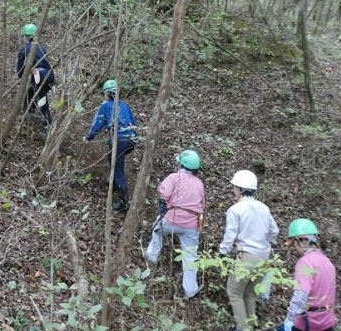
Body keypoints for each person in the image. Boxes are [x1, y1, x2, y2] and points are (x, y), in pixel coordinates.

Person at [219, 170, 279, 331]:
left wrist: (222, 252)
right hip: (264, 258)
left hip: (246, 257)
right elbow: (274, 232)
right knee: (250, 293)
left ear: (239, 189)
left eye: (234, 187)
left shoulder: (235, 209)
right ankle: (251, 326)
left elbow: (230, 235)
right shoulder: (264, 208)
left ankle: (243, 328)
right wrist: (263, 242)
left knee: (234, 292)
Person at [144, 150, 205, 298]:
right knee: (190, 257)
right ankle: (190, 290)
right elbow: (202, 206)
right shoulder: (199, 183)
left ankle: (152, 256)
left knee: (156, 230)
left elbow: (163, 195)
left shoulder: (174, 177)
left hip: (172, 219)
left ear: (181, 164)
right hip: (192, 224)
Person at [83, 80, 137, 211]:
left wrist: (88, 137)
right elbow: (134, 124)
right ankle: (112, 181)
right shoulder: (125, 105)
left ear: (107, 93)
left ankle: (124, 202)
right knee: (112, 158)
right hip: (131, 140)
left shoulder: (106, 106)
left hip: (119, 140)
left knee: (117, 167)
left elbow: (97, 124)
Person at [276, 219, 337, 331]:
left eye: (294, 243)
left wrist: (289, 321)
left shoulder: (305, 262)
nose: (295, 248)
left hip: (308, 323)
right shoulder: (327, 262)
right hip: (327, 323)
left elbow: (301, 296)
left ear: (300, 241)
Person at [16, 24, 55, 125]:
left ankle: (46, 124)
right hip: (50, 75)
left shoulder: (24, 49)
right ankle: (29, 111)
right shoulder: (42, 47)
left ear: (26, 36)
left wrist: (21, 77)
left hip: (40, 77)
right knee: (31, 91)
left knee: (42, 99)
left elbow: (20, 69)